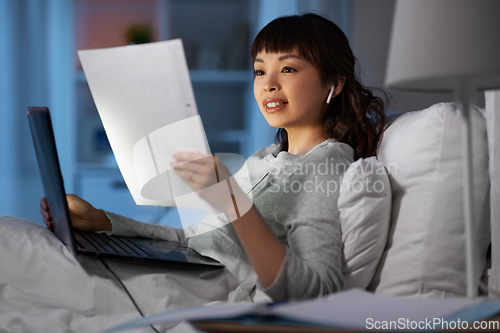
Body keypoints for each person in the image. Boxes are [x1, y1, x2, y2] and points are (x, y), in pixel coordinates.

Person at [41, 13, 385, 302]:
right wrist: (105, 221)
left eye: (289, 69)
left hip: (201, 295)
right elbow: (193, 239)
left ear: (334, 84)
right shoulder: (268, 157)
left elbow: (316, 291)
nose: (268, 84)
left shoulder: (324, 167)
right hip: (187, 274)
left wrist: (232, 199)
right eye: (260, 70)